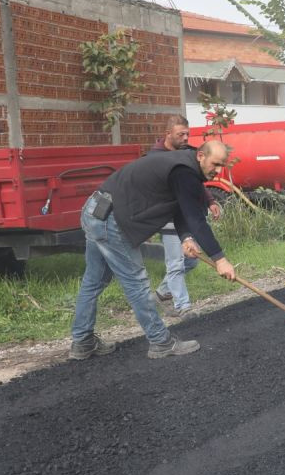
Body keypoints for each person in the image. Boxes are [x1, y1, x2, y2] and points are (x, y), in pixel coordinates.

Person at [68, 140, 237, 360]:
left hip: (96, 210)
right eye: (215, 164)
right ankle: (160, 342)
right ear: (200, 156)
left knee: (94, 280)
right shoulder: (184, 172)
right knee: (137, 283)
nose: (217, 170)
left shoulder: (182, 167)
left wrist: (185, 237)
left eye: (221, 165)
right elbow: (196, 220)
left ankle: (82, 342)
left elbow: (180, 207)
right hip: (110, 219)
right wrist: (220, 259)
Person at [148, 116, 221, 318]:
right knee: (176, 263)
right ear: (168, 134)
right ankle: (183, 307)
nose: (186, 137)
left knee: (191, 261)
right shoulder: (156, 157)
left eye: (188, 133)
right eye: (181, 134)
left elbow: (196, 183)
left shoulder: (189, 154)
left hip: (187, 215)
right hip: (170, 215)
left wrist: (210, 201)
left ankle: (162, 293)